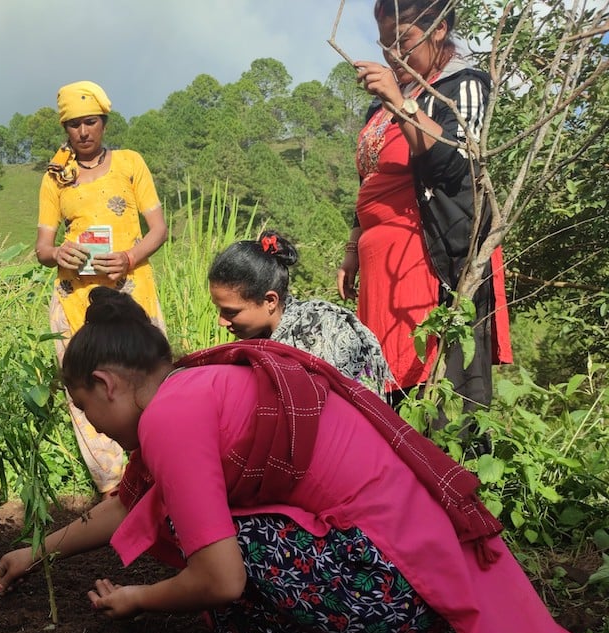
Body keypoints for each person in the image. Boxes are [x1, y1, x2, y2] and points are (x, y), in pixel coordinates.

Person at [0, 287, 609, 633]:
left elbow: (221, 577)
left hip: (395, 593)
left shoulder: (170, 419)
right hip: (415, 581)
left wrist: (137, 599)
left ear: (106, 384)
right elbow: (131, 504)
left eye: (85, 410)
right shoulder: (192, 389)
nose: (95, 429)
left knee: (213, 545)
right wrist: (36, 553)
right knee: (202, 525)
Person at [337, 1, 512, 409]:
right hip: (383, 272)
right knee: (384, 392)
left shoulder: (460, 85)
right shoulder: (379, 105)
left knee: (435, 393)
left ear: (439, 29)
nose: (392, 55)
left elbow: (456, 164)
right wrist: (352, 249)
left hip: (429, 264)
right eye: (384, 45)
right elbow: (371, 179)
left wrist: (401, 103)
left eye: (403, 41)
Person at [36, 80, 167, 498]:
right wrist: (59, 254)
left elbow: (159, 229)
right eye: (73, 125)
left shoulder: (131, 164)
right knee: (89, 384)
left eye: (90, 122)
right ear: (65, 129)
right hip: (76, 300)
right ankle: (114, 488)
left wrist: (129, 257)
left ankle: (162, 467)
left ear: (104, 122)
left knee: (146, 377)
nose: (83, 132)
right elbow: (42, 247)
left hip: (131, 290)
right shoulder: (55, 178)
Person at [209, 230, 391, 395]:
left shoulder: (321, 331)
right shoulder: (257, 342)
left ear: (270, 301)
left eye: (230, 312)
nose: (221, 322)